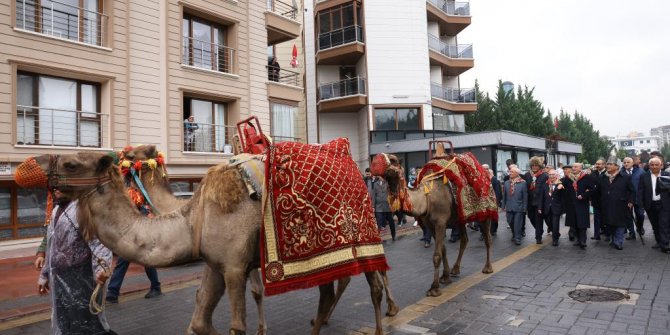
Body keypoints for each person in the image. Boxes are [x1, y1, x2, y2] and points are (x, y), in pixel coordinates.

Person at [38, 189, 114, 334]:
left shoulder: (84, 210)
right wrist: (44, 274)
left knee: (85, 322)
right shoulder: (56, 211)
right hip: (59, 279)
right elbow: (51, 245)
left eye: (60, 187)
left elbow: (98, 242)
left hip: (82, 279)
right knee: (64, 320)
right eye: (54, 187)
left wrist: (101, 269)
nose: (56, 190)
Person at [599, 156, 635, 250]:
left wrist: (630, 201)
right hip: (607, 204)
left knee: (620, 223)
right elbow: (598, 191)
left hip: (621, 204)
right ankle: (613, 239)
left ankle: (618, 242)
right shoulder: (603, 177)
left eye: (611, 164)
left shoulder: (625, 177)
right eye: (608, 164)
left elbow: (632, 191)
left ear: (617, 166)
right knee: (610, 223)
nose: (608, 166)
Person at [638, 157, 670, 251]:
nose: (654, 166)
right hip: (650, 204)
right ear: (649, 166)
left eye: (656, 164)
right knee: (655, 224)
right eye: (652, 164)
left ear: (661, 165)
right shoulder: (644, 176)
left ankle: (665, 244)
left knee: (664, 224)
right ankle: (659, 241)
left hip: (664, 204)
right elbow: (640, 191)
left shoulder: (667, 175)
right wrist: (640, 203)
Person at [523, 156, 549, 244]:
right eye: (533, 165)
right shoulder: (527, 175)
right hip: (530, 202)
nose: (534, 167)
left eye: (536, 165)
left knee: (538, 220)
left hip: (539, 202)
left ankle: (538, 237)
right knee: (531, 217)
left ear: (540, 166)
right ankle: (540, 230)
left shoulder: (544, 175)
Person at [571, 163, 595, 249]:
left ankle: (583, 240)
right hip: (572, 203)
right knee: (575, 222)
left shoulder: (586, 177)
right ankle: (578, 239)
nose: (573, 168)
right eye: (573, 167)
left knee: (582, 222)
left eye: (575, 167)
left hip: (582, 203)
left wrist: (584, 195)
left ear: (581, 168)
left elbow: (592, 189)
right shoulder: (569, 178)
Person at [539, 169, 565, 246]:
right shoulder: (545, 185)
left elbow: (563, 198)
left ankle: (555, 240)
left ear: (557, 175)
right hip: (546, 208)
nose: (551, 176)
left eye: (553, 174)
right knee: (549, 222)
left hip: (556, 208)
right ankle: (556, 233)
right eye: (550, 175)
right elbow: (541, 197)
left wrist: (562, 208)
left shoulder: (560, 184)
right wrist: (540, 208)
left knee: (555, 223)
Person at [502, 166, 527, 245]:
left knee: (517, 223)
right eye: (510, 172)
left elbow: (525, 196)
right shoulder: (506, 183)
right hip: (509, 207)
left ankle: (517, 238)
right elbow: (504, 195)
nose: (510, 173)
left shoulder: (523, 183)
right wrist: (503, 206)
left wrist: (524, 208)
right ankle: (514, 234)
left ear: (517, 173)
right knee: (510, 222)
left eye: (512, 172)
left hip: (519, 207)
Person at [621, 157, 644, 240]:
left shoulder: (640, 171)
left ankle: (640, 227)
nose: (626, 164)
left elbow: (644, 185)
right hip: (627, 198)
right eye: (624, 162)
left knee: (640, 215)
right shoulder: (620, 173)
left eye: (628, 162)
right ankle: (631, 233)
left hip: (638, 197)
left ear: (632, 163)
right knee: (628, 216)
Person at [372, 172, 396, 241]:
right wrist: (373, 206)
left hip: (387, 206)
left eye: (381, 176)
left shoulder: (388, 183)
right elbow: (374, 195)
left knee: (391, 221)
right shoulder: (375, 184)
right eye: (379, 176)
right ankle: (378, 237)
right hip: (378, 206)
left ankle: (393, 235)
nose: (380, 177)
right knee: (378, 222)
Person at [590, 158, 606, 240]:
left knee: (605, 217)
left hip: (605, 200)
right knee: (596, 218)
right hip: (596, 199)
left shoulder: (607, 173)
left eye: (599, 164)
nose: (597, 165)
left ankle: (607, 234)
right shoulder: (593, 174)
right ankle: (596, 234)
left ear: (604, 164)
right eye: (596, 164)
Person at [560, 164, 577, 241]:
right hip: (568, 201)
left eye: (567, 169)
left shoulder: (576, 178)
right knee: (570, 217)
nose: (565, 170)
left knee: (576, 216)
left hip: (577, 200)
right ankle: (572, 232)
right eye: (564, 169)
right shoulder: (563, 179)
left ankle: (576, 231)